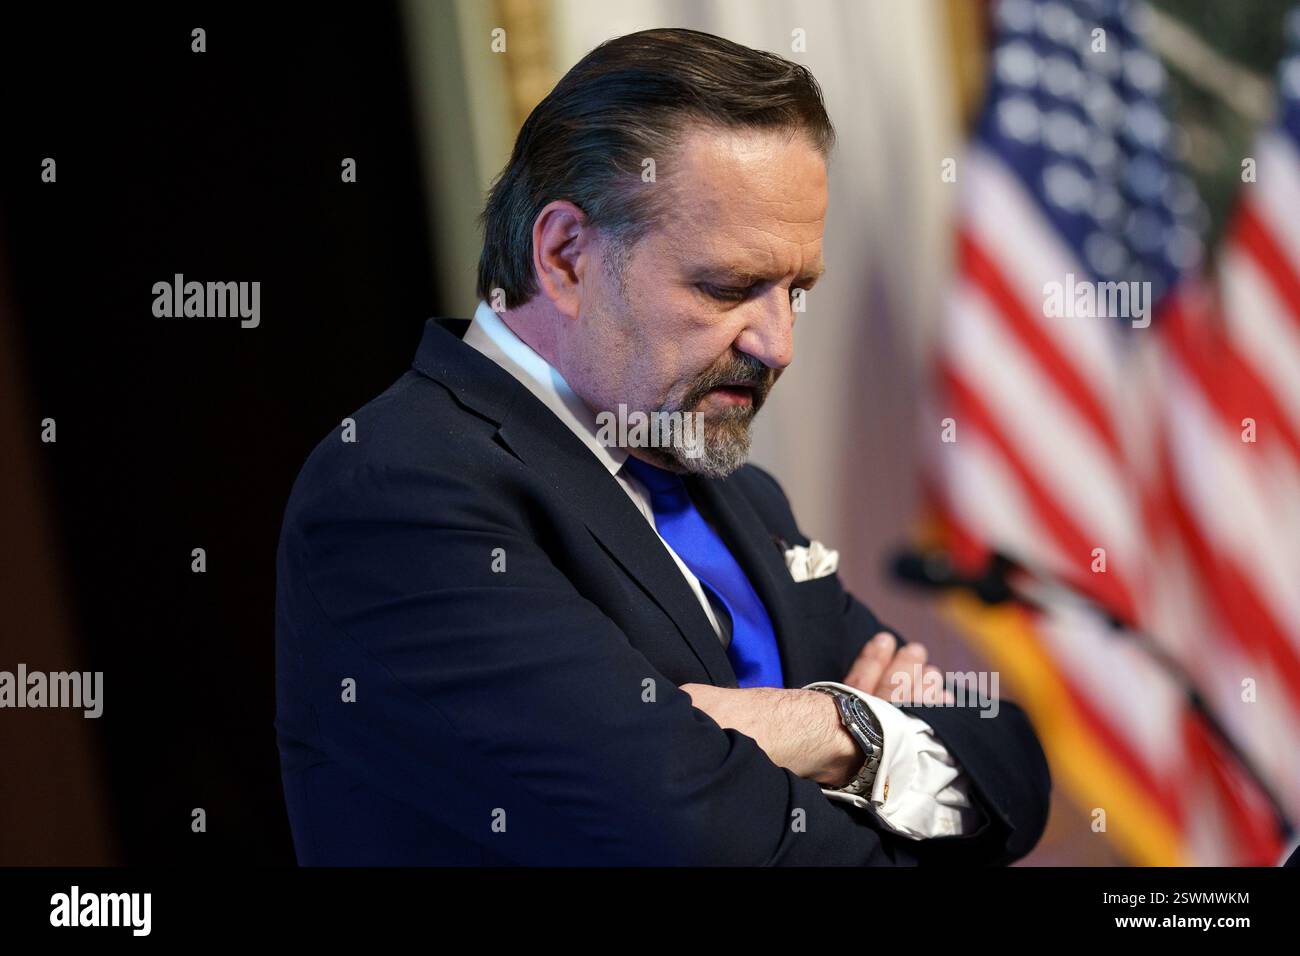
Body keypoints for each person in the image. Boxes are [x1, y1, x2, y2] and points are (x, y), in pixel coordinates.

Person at [274, 27, 1050, 865]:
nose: (778, 344)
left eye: (797, 291)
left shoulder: (742, 497)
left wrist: (837, 727)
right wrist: (866, 744)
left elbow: (1010, 767)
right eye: (729, 286)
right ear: (567, 255)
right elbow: (685, 832)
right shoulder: (397, 490)